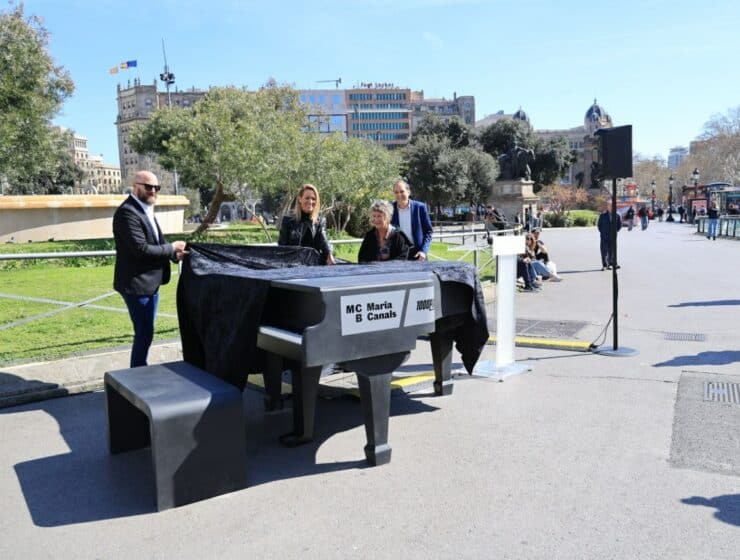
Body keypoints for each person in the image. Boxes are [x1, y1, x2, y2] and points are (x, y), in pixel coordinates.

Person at [113, 170, 188, 368]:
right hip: (137, 285)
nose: (153, 190)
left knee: (146, 332)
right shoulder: (127, 213)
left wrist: (173, 255)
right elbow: (141, 249)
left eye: (156, 187)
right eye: (148, 187)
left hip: (150, 284)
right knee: (144, 332)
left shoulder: (144, 209)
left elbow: (155, 243)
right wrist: (171, 248)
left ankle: (139, 371)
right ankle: (138, 373)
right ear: (135, 186)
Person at [278, 183, 335, 264]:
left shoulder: (320, 220)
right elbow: (282, 247)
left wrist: (329, 254)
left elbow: (323, 239)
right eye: (307, 198)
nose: (310, 201)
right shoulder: (288, 220)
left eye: (313, 198)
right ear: (300, 199)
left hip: (314, 266)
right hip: (292, 266)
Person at [390, 180, 433, 261]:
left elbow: (428, 231)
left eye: (402, 191)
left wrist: (423, 251)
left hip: (419, 255)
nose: (399, 194)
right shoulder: (390, 209)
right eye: (396, 192)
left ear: (408, 192)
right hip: (398, 255)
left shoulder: (420, 208)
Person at [597, 205, 622, 270]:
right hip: (604, 236)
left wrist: (614, 232)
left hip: (613, 236)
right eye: (610, 206)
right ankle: (604, 265)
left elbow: (619, 225)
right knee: (604, 251)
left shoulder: (617, 215)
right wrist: (603, 232)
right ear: (608, 207)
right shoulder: (602, 215)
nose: (611, 207)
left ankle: (611, 264)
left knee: (612, 250)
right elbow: (599, 225)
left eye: (612, 206)